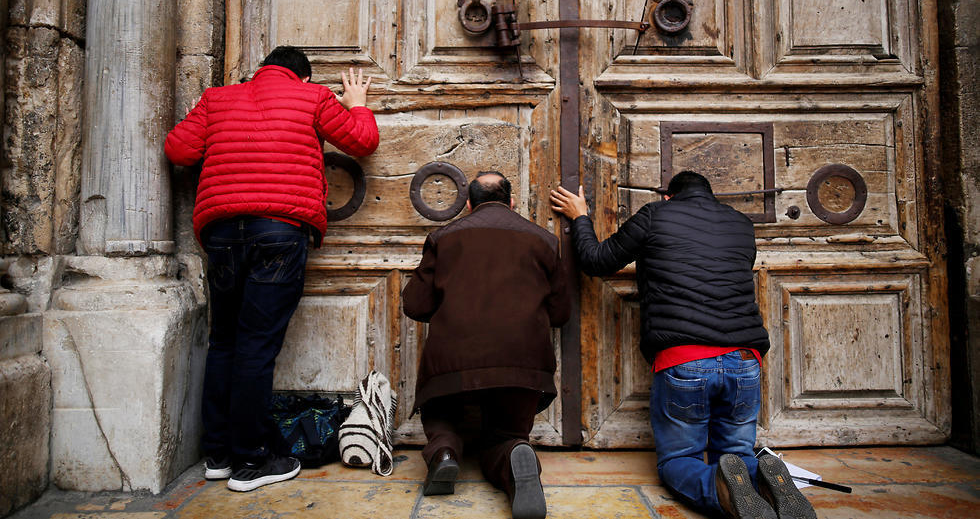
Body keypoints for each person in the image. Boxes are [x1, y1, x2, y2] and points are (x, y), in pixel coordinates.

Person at [164, 46, 379, 492]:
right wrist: (356, 104)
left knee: (223, 340)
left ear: (261, 70)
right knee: (257, 346)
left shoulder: (216, 98)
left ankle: (218, 455)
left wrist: (203, 117)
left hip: (222, 234)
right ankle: (250, 461)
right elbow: (362, 142)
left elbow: (179, 150)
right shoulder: (313, 98)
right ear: (301, 78)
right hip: (279, 232)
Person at [550, 172, 816, 519]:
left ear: (667, 198)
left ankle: (721, 492)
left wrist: (581, 216)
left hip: (685, 360)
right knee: (737, 454)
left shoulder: (654, 215)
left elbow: (597, 260)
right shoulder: (740, 224)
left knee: (679, 462)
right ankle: (764, 481)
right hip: (744, 359)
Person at [403, 171, 571, 519]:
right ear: (512, 202)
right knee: (505, 432)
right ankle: (513, 455)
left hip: (452, 360)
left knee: (442, 413)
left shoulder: (443, 237)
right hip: (523, 362)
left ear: (468, 204)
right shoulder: (545, 240)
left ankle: (445, 452)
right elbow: (560, 313)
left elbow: (414, 305)